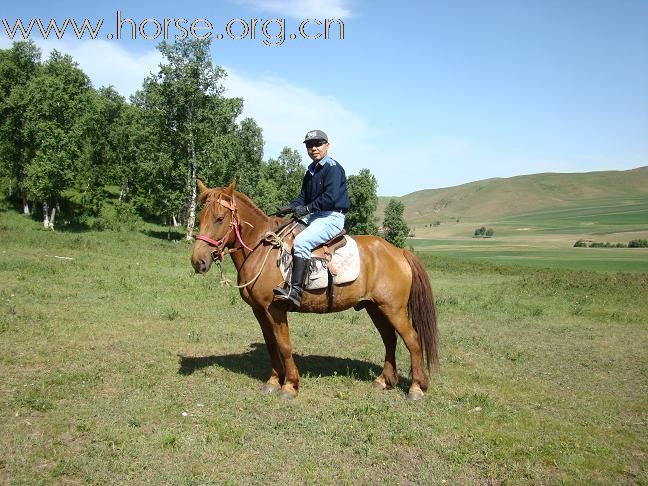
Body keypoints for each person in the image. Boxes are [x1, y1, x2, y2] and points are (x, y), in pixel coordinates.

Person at [273, 129, 350, 306]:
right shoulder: (310, 172)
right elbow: (303, 198)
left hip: (331, 217)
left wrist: (306, 209)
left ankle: (295, 291)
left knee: (301, 243)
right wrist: (290, 207)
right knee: (284, 235)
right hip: (315, 217)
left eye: (318, 144)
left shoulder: (333, 169)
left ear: (327, 146)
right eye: (309, 145)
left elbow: (330, 197)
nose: (313, 148)